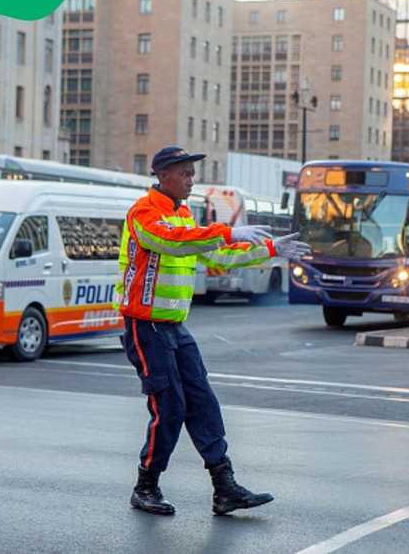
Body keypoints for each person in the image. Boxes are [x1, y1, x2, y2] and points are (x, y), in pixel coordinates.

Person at [116, 147, 308, 516]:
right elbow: (170, 241)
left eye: (192, 173)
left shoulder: (183, 214)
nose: (191, 179)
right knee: (169, 407)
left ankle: (225, 487)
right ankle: (146, 486)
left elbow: (217, 255)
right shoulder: (144, 213)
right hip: (145, 326)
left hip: (173, 327)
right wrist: (228, 230)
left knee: (203, 402)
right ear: (163, 175)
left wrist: (270, 248)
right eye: (185, 173)